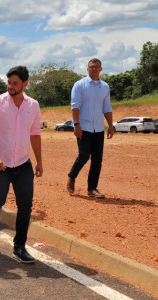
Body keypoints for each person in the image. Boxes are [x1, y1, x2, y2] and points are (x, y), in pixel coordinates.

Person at [0, 66, 43, 264]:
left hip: (22, 163)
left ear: (25, 84)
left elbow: (35, 134)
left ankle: (19, 246)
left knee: (25, 206)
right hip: (0, 164)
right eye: (9, 83)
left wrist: (39, 161)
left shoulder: (33, 105)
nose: (10, 86)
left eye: (15, 83)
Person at [66, 58, 113, 198]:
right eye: (91, 67)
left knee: (97, 159)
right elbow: (75, 106)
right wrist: (76, 124)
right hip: (84, 126)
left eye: (96, 67)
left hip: (98, 127)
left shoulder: (105, 87)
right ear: (87, 69)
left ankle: (92, 189)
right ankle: (71, 177)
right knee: (84, 155)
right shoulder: (79, 85)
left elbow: (107, 107)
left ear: (100, 69)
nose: (93, 69)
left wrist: (110, 126)